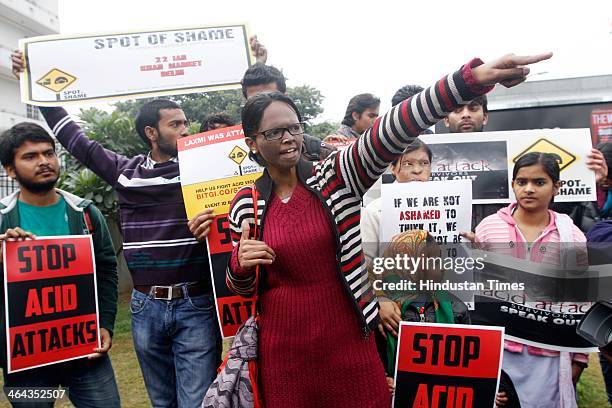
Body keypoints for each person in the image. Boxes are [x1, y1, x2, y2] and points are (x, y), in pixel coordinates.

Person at [226, 51, 552, 407]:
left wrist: (467, 81)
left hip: (350, 344)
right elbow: (243, 288)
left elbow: (395, 126)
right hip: (283, 354)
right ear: (252, 143)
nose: (289, 138)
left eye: (294, 128)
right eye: (275, 132)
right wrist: (239, 264)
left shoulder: (337, 177)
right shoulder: (247, 203)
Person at [11, 53, 224, 407]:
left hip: (196, 304)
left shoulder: (205, 170)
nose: (186, 130)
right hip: (144, 308)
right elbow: (76, 139)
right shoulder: (126, 172)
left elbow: (250, 143)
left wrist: (255, 70)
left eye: (185, 122)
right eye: (176, 125)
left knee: (198, 402)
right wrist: (35, 88)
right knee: (161, 402)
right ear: (151, 133)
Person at [0, 122, 120, 407]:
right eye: (30, 156)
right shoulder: (3, 218)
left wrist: (105, 324)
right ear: (10, 169)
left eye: (48, 153)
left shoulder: (85, 213)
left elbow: (106, 271)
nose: (44, 161)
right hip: (26, 362)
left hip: (86, 353)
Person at [475, 152, 588, 408]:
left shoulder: (572, 236)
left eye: (539, 182)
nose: (528, 189)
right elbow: (474, 293)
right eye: (521, 181)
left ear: (556, 187)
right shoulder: (489, 228)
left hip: (548, 353)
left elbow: (582, 301)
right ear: (513, 184)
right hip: (498, 350)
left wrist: (579, 360)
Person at [361, 138, 433, 336]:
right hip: (396, 312)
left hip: (438, 307)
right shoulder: (375, 211)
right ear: (392, 168)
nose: (417, 170)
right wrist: (380, 300)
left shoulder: (446, 208)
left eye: (424, 163)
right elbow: (363, 265)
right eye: (408, 163)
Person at [240, 62, 336, 161]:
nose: (265, 106)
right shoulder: (236, 159)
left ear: (285, 98)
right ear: (251, 144)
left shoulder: (323, 155)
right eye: (255, 101)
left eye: (272, 98)